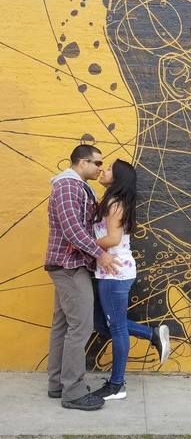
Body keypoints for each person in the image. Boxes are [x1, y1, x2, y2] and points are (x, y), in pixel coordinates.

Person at [45, 144, 120, 411]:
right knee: (80, 327)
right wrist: (101, 254)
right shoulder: (68, 186)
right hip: (69, 266)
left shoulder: (79, 187)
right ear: (81, 162)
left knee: (63, 325)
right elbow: (72, 230)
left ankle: (57, 383)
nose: (100, 168)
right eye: (97, 163)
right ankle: (73, 392)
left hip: (70, 265)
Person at [91, 159, 171, 401]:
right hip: (110, 271)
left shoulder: (114, 203)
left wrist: (84, 244)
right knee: (102, 325)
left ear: (117, 179)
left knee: (115, 328)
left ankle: (117, 385)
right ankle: (152, 334)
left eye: (108, 169)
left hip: (115, 273)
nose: (102, 170)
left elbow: (113, 239)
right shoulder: (114, 201)